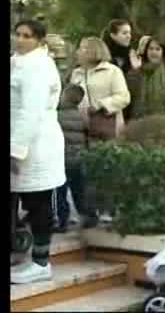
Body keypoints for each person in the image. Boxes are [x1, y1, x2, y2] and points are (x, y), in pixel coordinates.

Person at [11, 19, 66, 284]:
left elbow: (29, 112)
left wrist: (16, 150)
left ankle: (41, 263)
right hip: (22, 141)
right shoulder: (19, 61)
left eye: (27, 36)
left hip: (35, 145)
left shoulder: (37, 67)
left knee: (37, 202)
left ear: (40, 40)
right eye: (17, 34)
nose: (20, 39)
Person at [53, 84, 98, 233]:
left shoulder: (56, 116)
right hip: (78, 159)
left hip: (62, 159)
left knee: (60, 192)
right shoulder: (81, 116)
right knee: (80, 190)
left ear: (64, 97)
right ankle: (89, 216)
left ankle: (62, 220)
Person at [69, 37, 131, 140]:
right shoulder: (76, 73)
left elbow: (124, 97)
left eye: (83, 48)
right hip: (79, 127)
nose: (78, 52)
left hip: (107, 125)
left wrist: (99, 105)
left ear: (95, 50)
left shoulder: (112, 71)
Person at [126, 37, 165, 119]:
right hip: (140, 119)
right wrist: (136, 71)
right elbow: (130, 94)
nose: (154, 52)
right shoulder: (137, 71)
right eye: (151, 49)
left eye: (157, 49)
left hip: (164, 118)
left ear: (163, 52)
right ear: (146, 51)